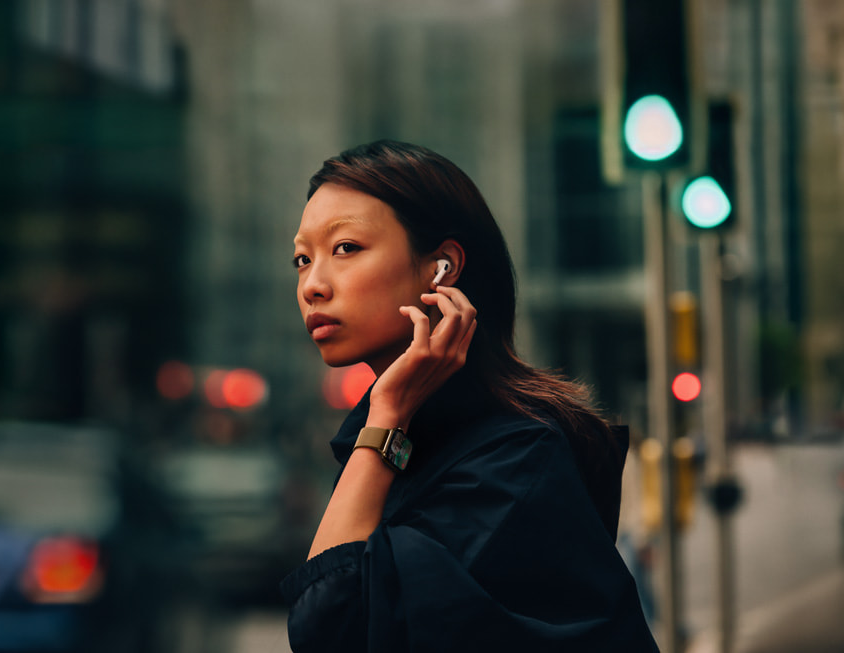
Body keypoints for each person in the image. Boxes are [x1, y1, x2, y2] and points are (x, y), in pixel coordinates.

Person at [281, 139, 658, 652]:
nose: (312, 285)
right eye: (302, 259)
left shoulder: (515, 460)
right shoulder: (406, 438)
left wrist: (387, 414)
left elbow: (328, 628)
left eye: (345, 248)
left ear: (441, 268)